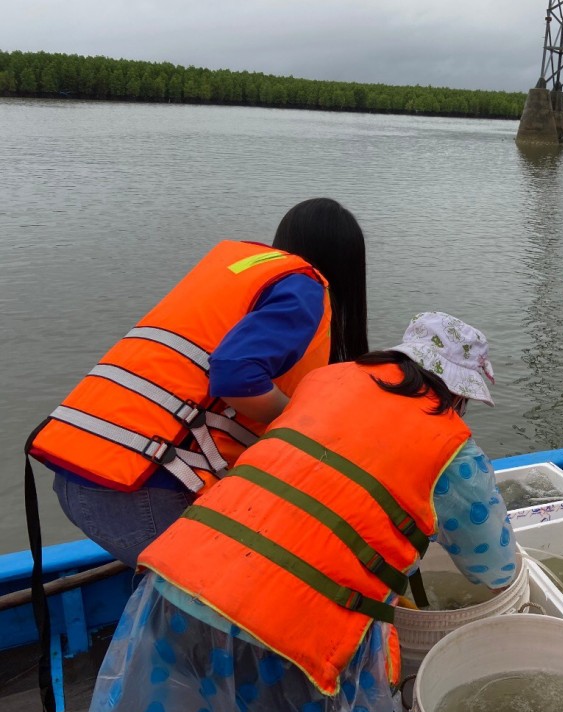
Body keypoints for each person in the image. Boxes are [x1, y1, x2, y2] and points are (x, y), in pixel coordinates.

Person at [70, 311, 517, 712]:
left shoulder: (327, 381)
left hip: (178, 583)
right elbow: (495, 566)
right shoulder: (452, 446)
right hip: (289, 636)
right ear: (458, 392)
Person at [26, 198, 368, 567]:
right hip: (142, 489)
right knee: (229, 603)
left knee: (186, 598)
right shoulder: (304, 287)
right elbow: (236, 376)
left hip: (84, 470)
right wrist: (303, 421)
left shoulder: (240, 271)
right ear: (345, 264)